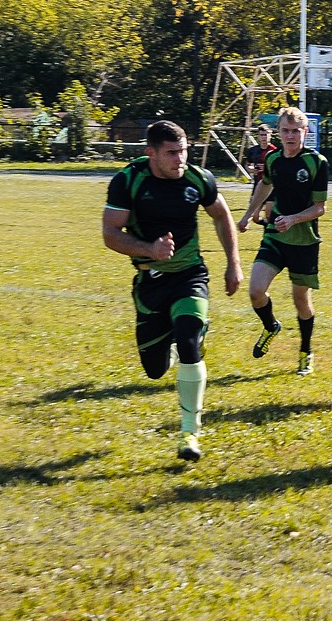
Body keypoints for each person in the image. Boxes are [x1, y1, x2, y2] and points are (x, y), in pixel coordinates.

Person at [102, 120, 243, 462]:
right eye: (172, 153)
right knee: (154, 369)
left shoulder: (198, 178)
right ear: (151, 153)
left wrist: (233, 263)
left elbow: (222, 216)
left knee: (190, 338)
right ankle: (174, 342)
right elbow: (110, 234)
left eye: (184, 151)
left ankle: (189, 434)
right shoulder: (128, 180)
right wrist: (149, 250)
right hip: (150, 282)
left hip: (190, 275)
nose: (181, 159)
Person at [238, 108, 329, 377]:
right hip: (275, 235)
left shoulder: (316, 162)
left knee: (300, 299)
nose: (290, 136)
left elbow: (320, 208)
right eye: (285, 131)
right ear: (278, 131)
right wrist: (248, 214)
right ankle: (270, 326)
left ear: (305, 132)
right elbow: (265, 185)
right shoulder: (274, 158)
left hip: (304, 241)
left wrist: (293, 219)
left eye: (295, 131)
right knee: (255, 290)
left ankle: (305, 351)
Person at [244, 124, 277, 225]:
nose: (264, 137)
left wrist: (268, 169)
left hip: (271, 186)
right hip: (258, 185)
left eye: (266, 134)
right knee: (255, 217)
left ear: (270, 135)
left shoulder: (274, 151)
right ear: (258, 136)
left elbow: (279, 168)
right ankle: (267, 226)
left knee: (269, 214)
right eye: (262, 135)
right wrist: (251, 170)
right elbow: (247, 165)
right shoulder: (253, 151)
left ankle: (268, 233)